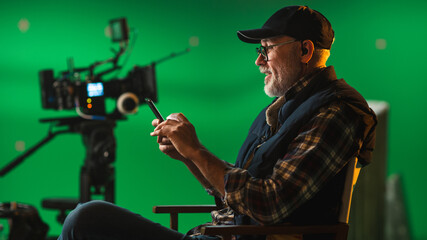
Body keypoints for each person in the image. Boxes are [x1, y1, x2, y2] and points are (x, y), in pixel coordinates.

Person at [58, 5, 377, 240]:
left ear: (305, 50)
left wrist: (197, 151)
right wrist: (189, 157)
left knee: (86, 219)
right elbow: (241, 194)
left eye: (267, 49)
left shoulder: (336, 113)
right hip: (220, 235)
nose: (259, 61)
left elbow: (269, 204)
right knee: (87, 218)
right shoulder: (289, 109)